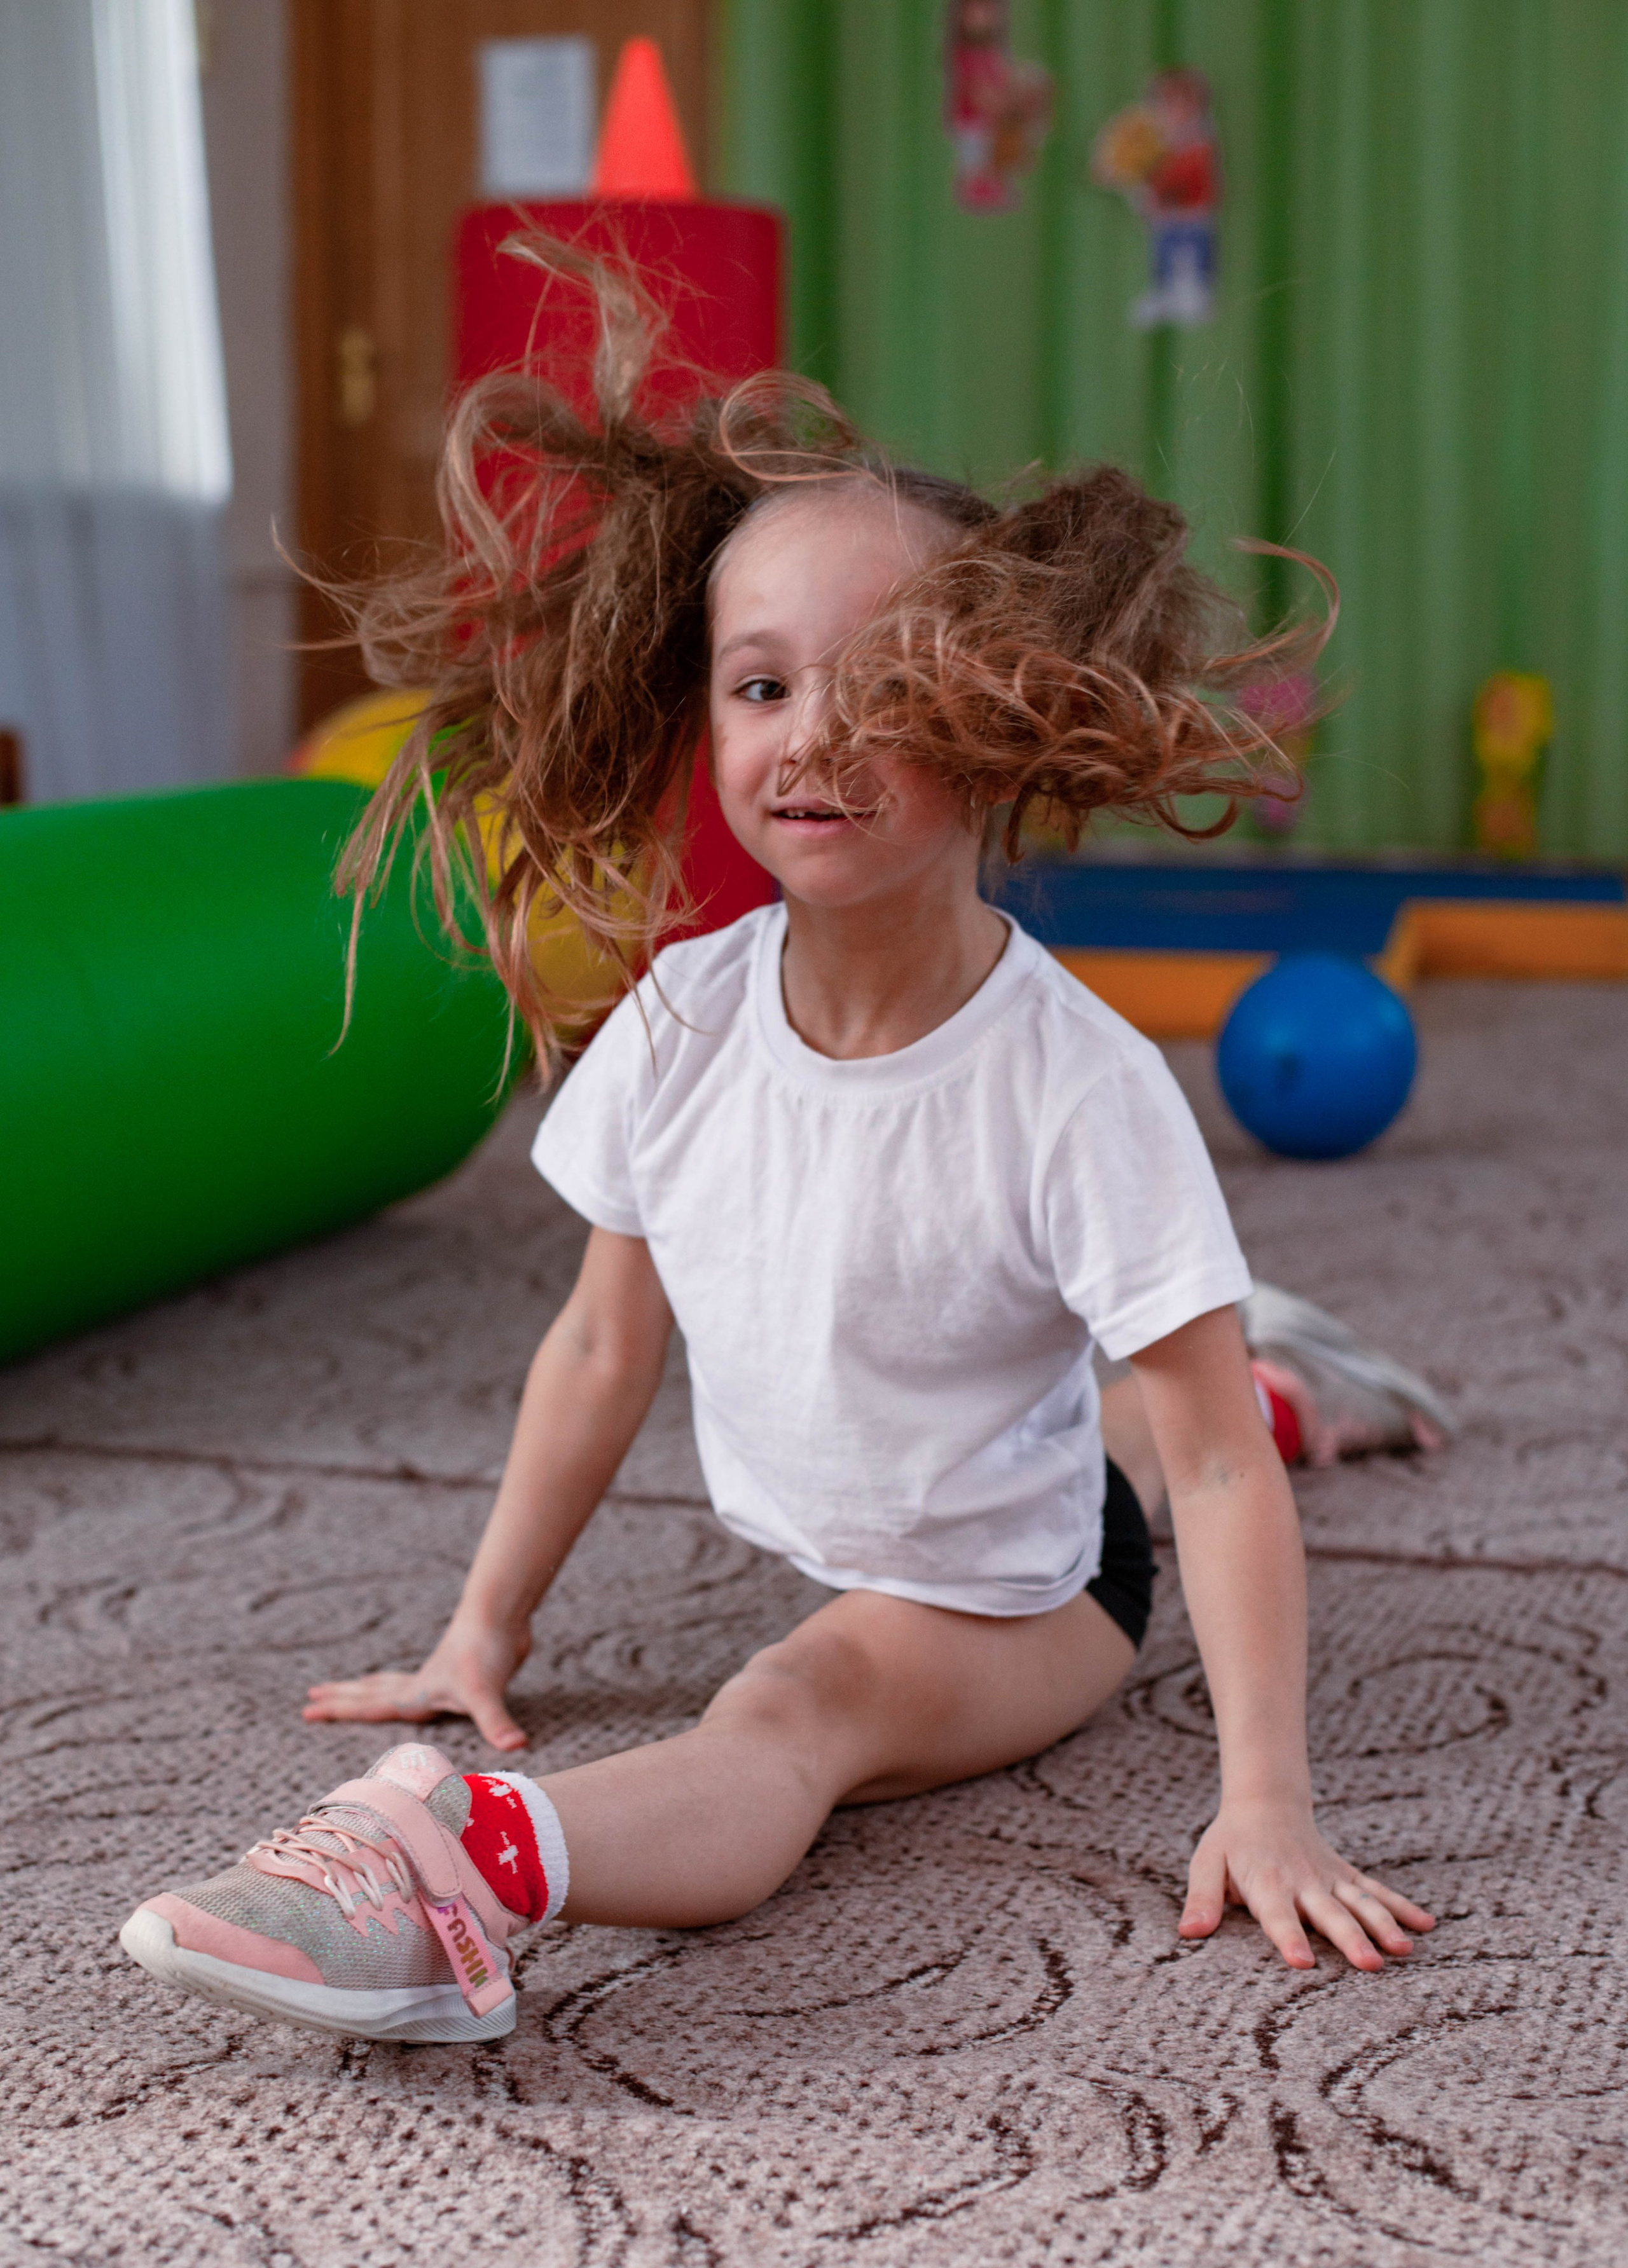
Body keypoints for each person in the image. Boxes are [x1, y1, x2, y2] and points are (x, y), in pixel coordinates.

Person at [120, 243, 1442, 2047]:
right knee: (1072, 1385)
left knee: (802, 1694)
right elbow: (601, 1340)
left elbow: (1210, 1486)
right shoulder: (683, 1017)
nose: (811, 737)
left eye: (885, 686)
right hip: (947, 1459)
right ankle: (1286, 1361)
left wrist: (1267, 1794)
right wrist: (478, 1632)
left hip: (1028, 1587)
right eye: (760, 687)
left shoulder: (1080, 1082)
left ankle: (459, 1866)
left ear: (1000, 720)